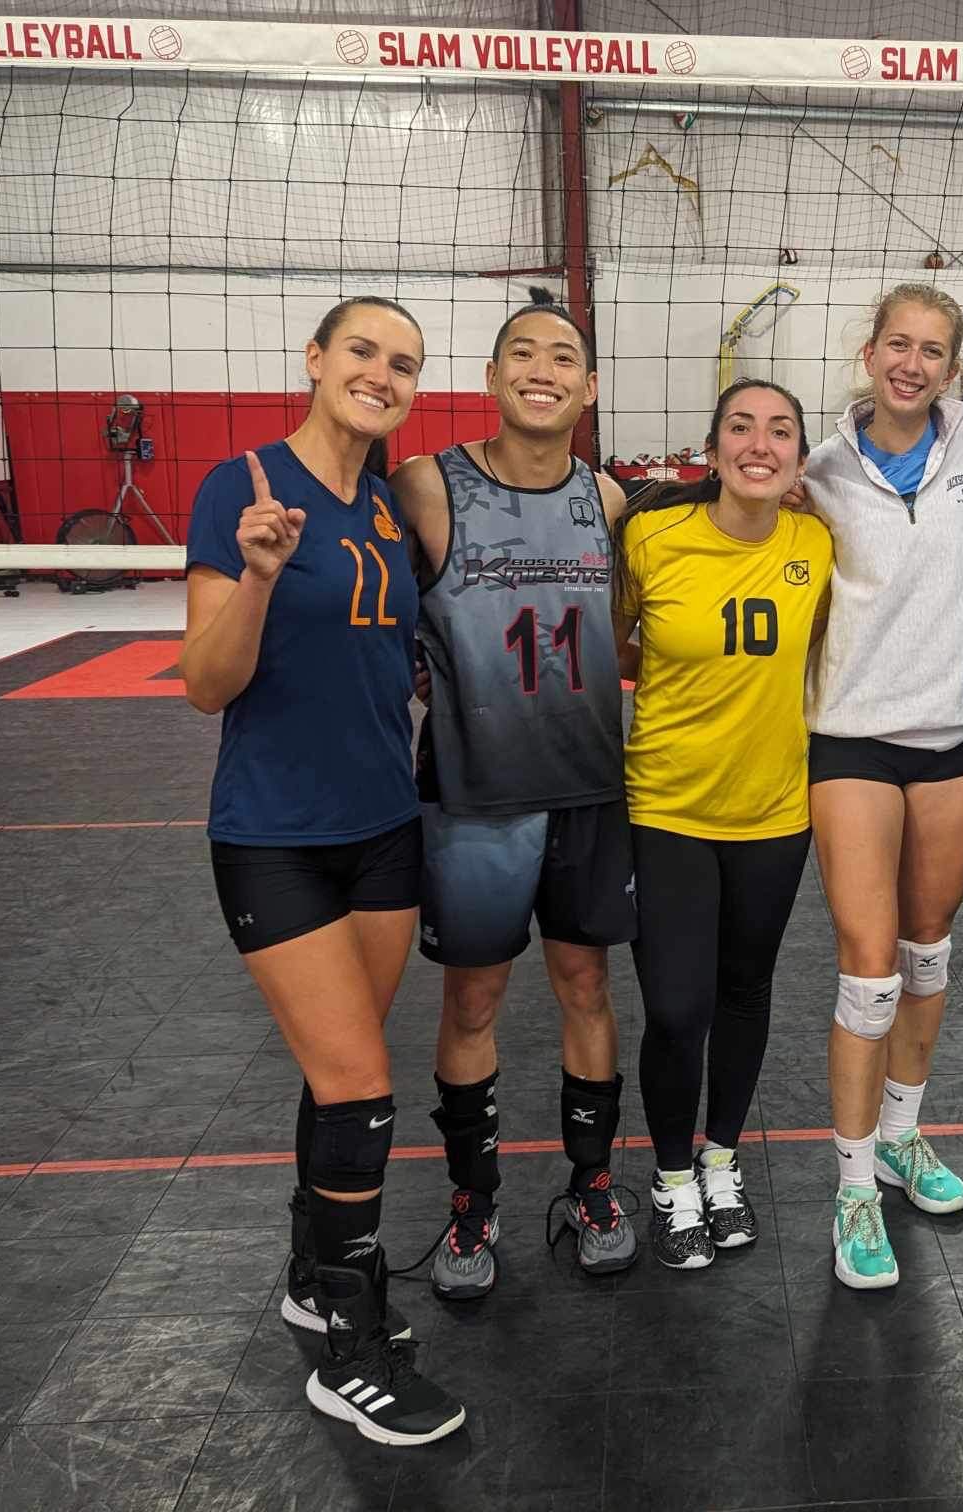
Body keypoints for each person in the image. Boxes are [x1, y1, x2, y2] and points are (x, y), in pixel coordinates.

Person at [179, 294, 465, 1446]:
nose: (382, 374)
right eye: (363, 350)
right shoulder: (240, 486)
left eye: (404, 363)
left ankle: (313, 1275)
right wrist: (257, 575)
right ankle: (350, 1347)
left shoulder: (392, 508)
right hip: (274, 835)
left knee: (336, 1073)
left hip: (384, 830)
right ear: (315, 357)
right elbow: (206, 685)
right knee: (359, 1088)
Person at [387, 289, 638, 1299]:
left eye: (562, 356)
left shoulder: (606, 500)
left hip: (588, 790)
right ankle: (472, 1201)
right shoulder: (426, 484)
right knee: (474, 999)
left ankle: (593, 1187)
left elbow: (625, 630)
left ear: (589, 387)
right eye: (522, 354)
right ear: (492, 378)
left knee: (587, 988)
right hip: (475, 795)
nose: (543, 369)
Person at [799, 284, 963, 1290]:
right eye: (899, 343)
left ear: (953, 367)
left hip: (954, 736)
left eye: (933, 350)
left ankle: (901, 1135)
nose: (912, 363)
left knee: (929, 952)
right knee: (870, 969)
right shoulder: (819, 469)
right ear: (871, 352)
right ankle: (852, 1187)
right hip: (852, 739)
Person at [611, 380, 833, 1268]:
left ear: (799, 460)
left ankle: (720, 1160)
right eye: (741, 427)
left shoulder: (815, 542)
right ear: (712, 450)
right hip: (667, 805)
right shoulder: (652, 537)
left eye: (780, 431)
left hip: (775, 811)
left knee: (746, 991)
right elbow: (612, 641)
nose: (759, 444)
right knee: (676, 1007)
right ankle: (671, 1177)